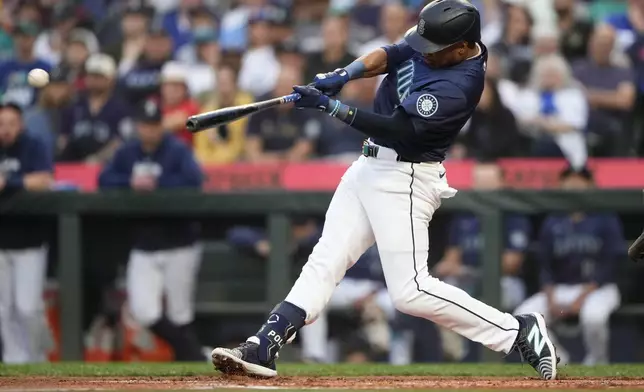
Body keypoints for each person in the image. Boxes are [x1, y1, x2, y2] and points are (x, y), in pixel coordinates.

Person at [211, 0, 558, 380]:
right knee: (326, 259)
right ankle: (265, 344)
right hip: (369, 167)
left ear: (461, 49)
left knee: (409, 292)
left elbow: (398, 129)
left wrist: (331, 106)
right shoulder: (446, 40)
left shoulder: (459, 84)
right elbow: (393, 54)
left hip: (405, 177)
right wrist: (344, 73)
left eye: (434, 50)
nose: (425, 52)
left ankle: (517, 331)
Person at [98, 99, 205, 361]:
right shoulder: (128, 152)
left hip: (179, 241)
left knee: (181, 312)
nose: (150, 130)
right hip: (144, 242)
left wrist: (158, 182)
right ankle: (193, 353)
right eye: (145, 125)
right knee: (143, 310)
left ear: (161, 126)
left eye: (155, 124)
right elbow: (104, 180)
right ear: (138, 127)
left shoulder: (176, 150)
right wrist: (130, 182)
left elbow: (195, 181)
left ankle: (187, 364)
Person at [514, 166, 624, 366]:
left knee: (594, 317)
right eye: (569, 180)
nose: (574, 184)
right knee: (523, 317)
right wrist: (550, 295)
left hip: (599, 288)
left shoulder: (606, 218)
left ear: (591, 185)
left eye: (580, 180)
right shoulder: (552, 221)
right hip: (561, 288)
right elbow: (544, 265)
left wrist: (583, 296)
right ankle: (558, 360)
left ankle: (597, 362)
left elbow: (610, 263)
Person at [434, 164, 531, 361]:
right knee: (439, 293)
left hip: (504, 282)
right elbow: (451, 259)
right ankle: (457, 355)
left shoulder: (513, 217)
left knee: (497, 292)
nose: (484, 186)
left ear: (502, 183)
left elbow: (510, 265)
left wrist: (466, 271)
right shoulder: (465, 216)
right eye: (480, 181)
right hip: (468, 280)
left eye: (489, 181)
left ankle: (494, 356)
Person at [0, 102, 54, 363]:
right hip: (1, 241)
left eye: (11, 123)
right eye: (1, 124)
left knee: (28, 307)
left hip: (30, 240)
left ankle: (37, 360)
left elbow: (44, 180)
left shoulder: (33, 145)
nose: (6, 130)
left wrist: (10, 182)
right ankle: (13, 363)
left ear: (21, 124)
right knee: (2, 310)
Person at [572, 24, 636, 157]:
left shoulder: (623, 71)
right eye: (599, 41)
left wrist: (589, 96)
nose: (603, 46)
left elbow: (625, 101)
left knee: (615, 130)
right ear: (590, 42)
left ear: (613, 46)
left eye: (607, 43)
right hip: (581, 124)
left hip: (613, 127)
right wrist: (610, 97)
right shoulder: (577, 69)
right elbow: (572, 97)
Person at [58, 53, 133, 163]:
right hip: (74, 164)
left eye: (99, 77)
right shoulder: (75, 105)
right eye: (92, 76)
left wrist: (98, 159)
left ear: (111, 79)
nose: (94, 80)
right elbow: (63, 138)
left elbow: (120, 142)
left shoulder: (120, 109)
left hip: (106, 165)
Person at [245, 66, 321, 163]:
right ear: (275, 86)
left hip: (296, 165)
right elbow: (252, 146)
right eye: (281, 87)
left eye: (289, 89)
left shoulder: (309, 106)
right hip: (265, 164)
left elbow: (306, 147)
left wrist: (282, 160)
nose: (284, 94)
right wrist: (267, 160)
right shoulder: (261, 105)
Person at [194, 64, 253, 165]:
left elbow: (241, 144)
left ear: (235, 83)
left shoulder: (247, 106)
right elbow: (201, 148)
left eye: (226, 82)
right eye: (220, 83)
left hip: (240, 163)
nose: (223, 87)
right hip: (212, 165)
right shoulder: (207, 111)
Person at [0, 22, 51, 108]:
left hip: (35, 112)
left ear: (34, 39)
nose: (22, 41)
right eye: (19, 37)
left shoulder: (45, 67)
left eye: (26, 37)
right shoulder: (4, 66)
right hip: (7, 111)